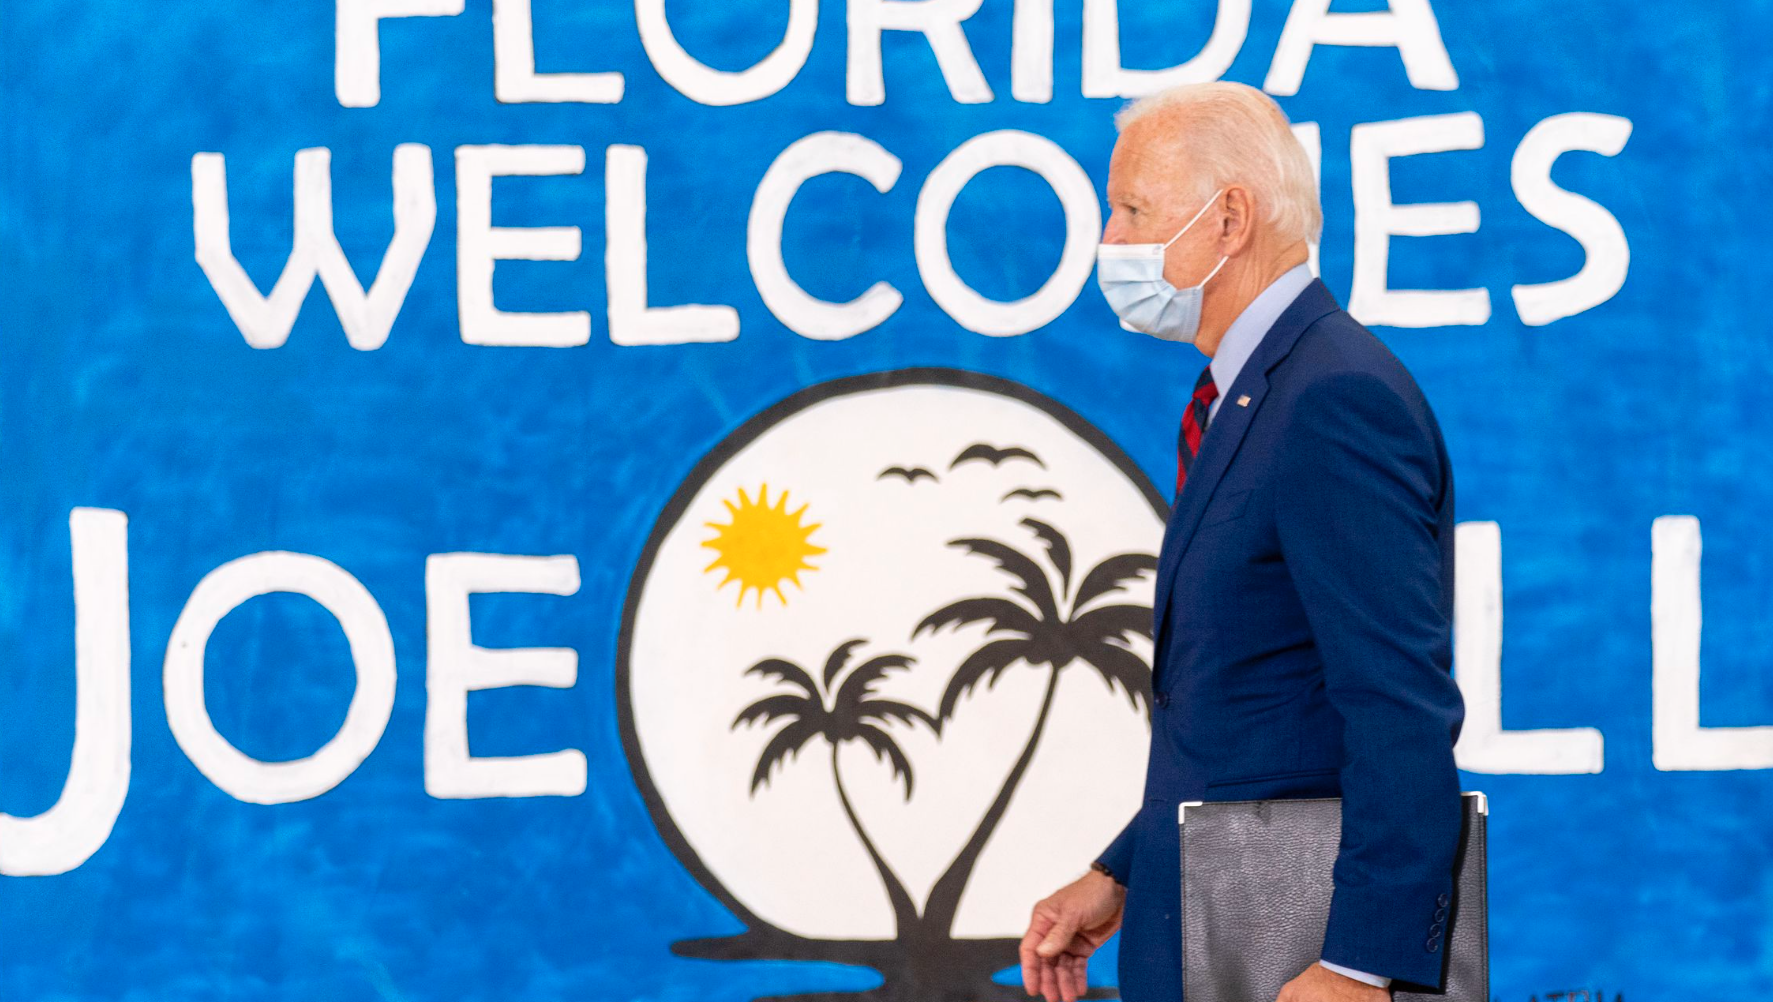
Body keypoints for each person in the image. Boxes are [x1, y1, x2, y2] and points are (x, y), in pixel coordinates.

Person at [1018, 81, 1466, 1002]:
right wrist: (1125, 870)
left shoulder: (1331, 397)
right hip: (1214, 923)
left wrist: (1360, 965)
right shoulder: (1255, 394)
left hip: (1302, 963)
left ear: (1228, 219)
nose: (1108, 238)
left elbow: (1396, 703)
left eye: (1131, 208)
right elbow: (1262, 699)